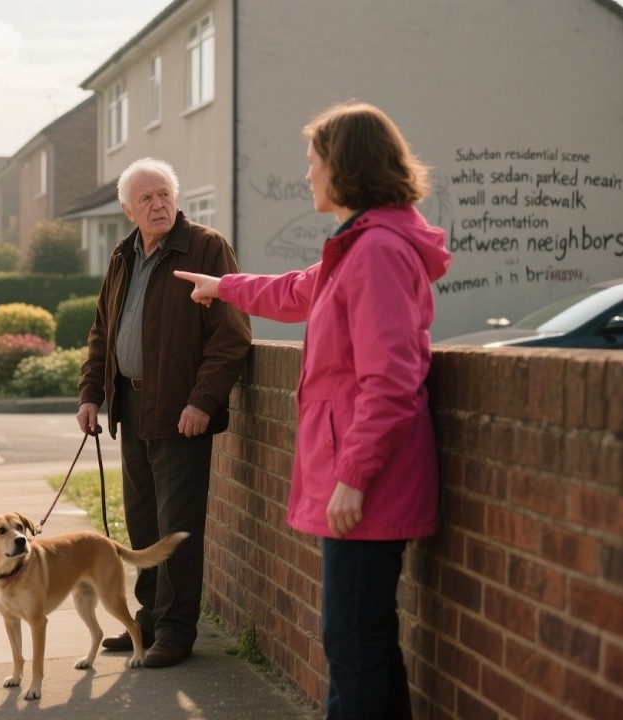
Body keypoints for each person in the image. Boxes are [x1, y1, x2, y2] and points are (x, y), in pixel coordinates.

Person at [175, 101, 450, 717]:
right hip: (364, 477)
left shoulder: (376, 250)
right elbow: (297, 290)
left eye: (314, 161)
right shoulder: (358, 246)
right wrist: (222, 287)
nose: (307, 175)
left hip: (369, 483)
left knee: (352, 645)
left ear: (345, 167)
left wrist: (353, 477)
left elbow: (392, 378)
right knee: (367, 642)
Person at [76, 157, 251, 669]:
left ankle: (176, 631)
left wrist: (203, 400)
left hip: (180, 411)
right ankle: (148, 620)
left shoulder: (205, 247)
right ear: (128, 209)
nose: (158, 204)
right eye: (147, 198)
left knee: (177, 525)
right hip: (130, 406)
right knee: (144, 521)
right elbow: (101, 332)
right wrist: (92, 394)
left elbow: (231, 334)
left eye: (165, 195)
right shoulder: (122, 256)